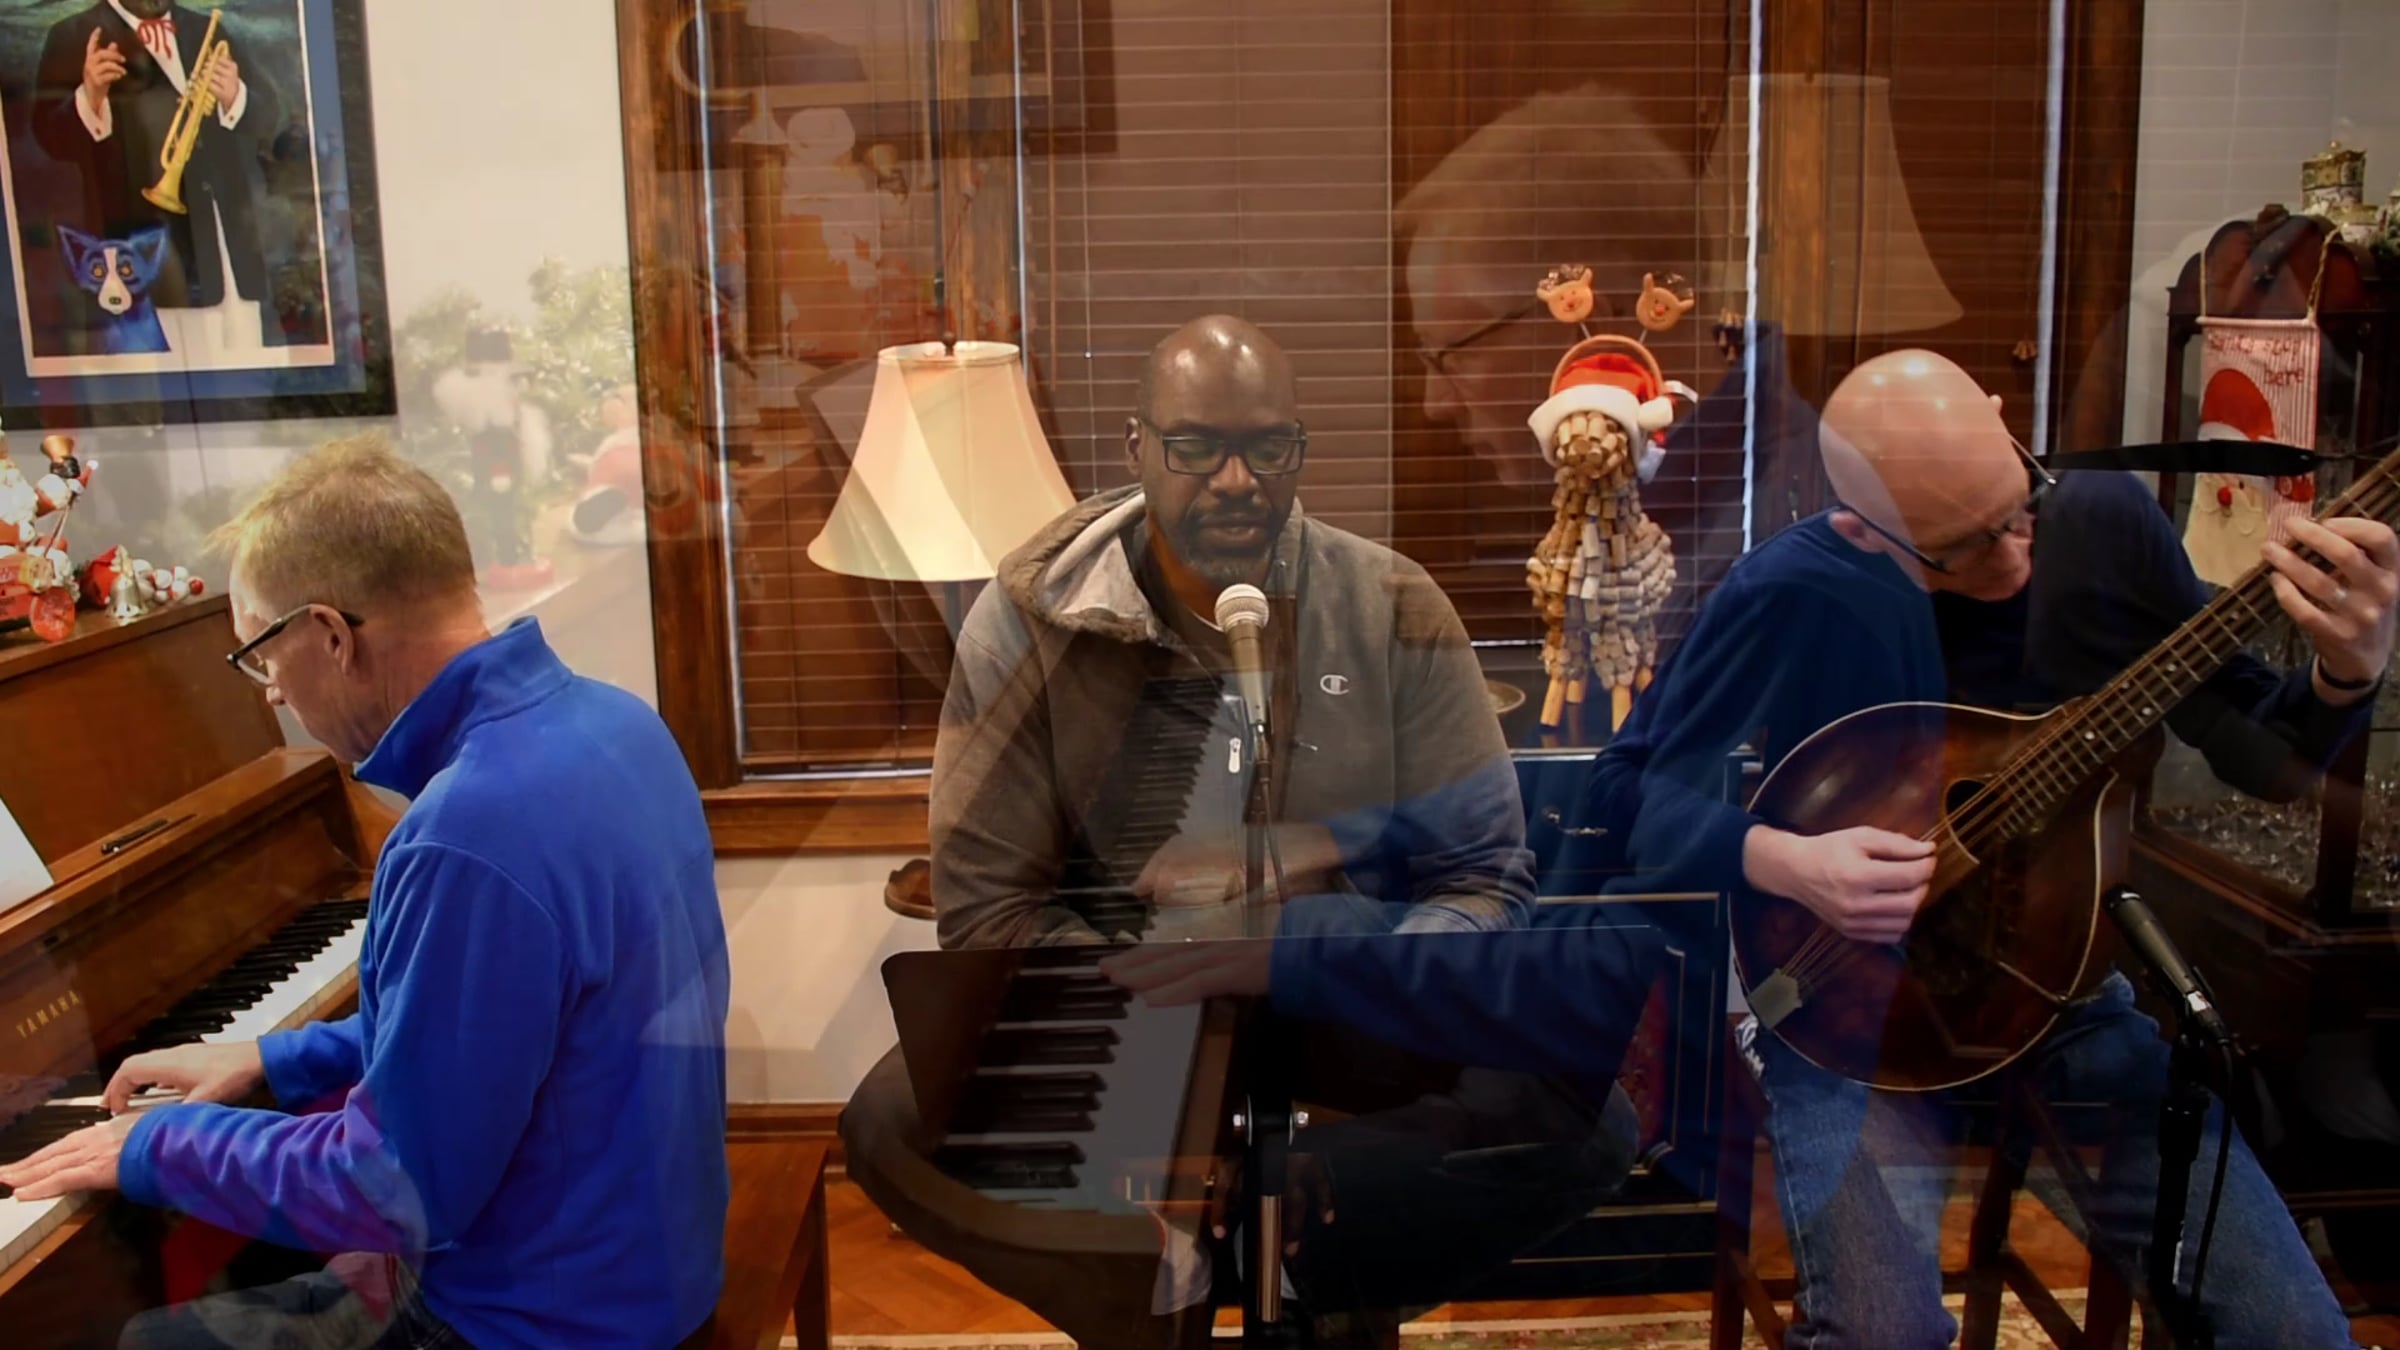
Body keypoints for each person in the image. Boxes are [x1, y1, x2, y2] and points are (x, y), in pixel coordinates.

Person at [844, 315, 1648, 1349]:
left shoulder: (1393, 603)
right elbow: (988, 911)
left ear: (1298, 450)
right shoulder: (1024, 621)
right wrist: (1147, 1037)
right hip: (1116, 998)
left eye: (1268, 449)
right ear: (1137, 448)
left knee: (1589, 1121)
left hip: (1343, 989)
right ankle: (1155, 1303)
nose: (1237, 481)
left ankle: (1324, 1269)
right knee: (890, 1122)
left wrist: (1371, 978)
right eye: (1196, 448)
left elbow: (1484, 876)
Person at [1584, 348, 2398, 1349]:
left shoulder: (2103, 529)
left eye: (2020, 509)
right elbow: (1623, 792)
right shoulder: (1791, 590)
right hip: (1846, 1016)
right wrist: (1790, 864)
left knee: (2294, 1331)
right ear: (1860, 526)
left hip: (2058, 1000)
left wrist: (2348, 674)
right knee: (1885, 1335)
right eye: (1959, 551)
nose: (2014, 560)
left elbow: (2260, 753)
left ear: (2005, 422)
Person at [0, 435, 731, 1350]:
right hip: (649, 1261)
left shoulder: (467, 831)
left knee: (151, 1340)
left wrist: (153, 1146)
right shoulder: (618, 724)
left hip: (547, 1321)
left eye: (261, 656)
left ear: (332, 636)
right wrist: (276, 1060)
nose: (270, 695)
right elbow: (495, 1027)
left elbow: (395, 1188)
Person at [32, 1, 280, 325]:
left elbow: (269, 118)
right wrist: (88, 98)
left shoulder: (207, 29)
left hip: (225, 242)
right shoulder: (71, 35)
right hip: (139, 248)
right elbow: (49, 139)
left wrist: (235, 97)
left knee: (244, 343)